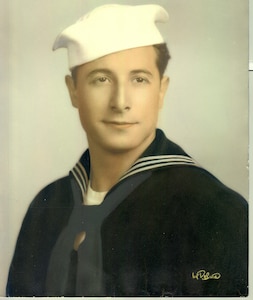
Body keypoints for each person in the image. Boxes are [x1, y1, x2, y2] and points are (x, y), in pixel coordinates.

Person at [6, 4, 248, 297]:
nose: (120, 101)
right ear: (73, 91)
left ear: (162, 90)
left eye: (139, 79)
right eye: (101, 79)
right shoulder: (45, 208)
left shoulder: (216, 211)